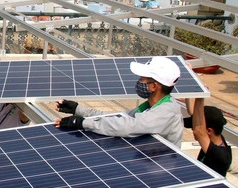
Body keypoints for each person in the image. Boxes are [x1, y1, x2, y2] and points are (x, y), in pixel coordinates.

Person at [55, 56, 183, 146]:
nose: (140, 81)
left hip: (159, 174)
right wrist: (78, 109)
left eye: (143, 78)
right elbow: (119, 118)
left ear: (153, 86)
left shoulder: (166, 112)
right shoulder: (152, 106)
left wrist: (83, 123)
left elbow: (127, 126)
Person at [184, 98, 232, 175]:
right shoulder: (217, 138)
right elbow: (194, 113)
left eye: (193, 127)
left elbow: (198, 131)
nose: (193, 130)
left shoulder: (220, 156)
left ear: (209, 131)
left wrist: (200, 98)